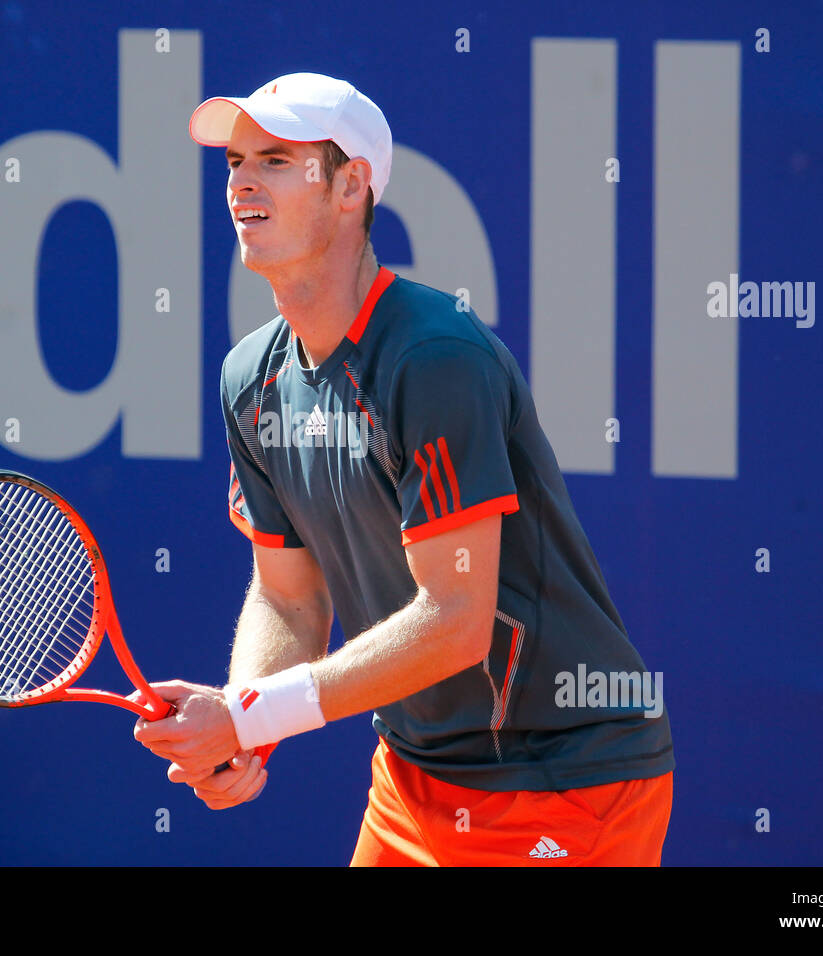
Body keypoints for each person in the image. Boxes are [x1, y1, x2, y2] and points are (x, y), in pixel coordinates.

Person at [133, 73, 674, 865]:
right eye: (235, 162)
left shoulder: (433, 355)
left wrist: (250, 718)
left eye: (277, 160)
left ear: (351, 185)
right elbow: (290, 595)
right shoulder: (250, 380)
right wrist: (244, 720)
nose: (242, 180)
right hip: (413, 780)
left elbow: (456, 621)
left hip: (564, 778)